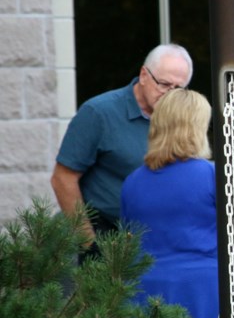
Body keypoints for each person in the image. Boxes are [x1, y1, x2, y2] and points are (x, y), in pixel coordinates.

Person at [121, 88, 234, 318]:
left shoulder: (132, 181)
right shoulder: (212, 175)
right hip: (201, 304)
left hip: (142, 302)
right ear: (197, 128)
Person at [51, 44, 193, 252]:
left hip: (155, 241)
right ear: (144, 75)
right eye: (163, 84)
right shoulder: (99, 113)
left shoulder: (182, 119)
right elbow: (62, 179)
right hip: (102, 234)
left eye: (178, 89)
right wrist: (89, 243)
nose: (169, 95)